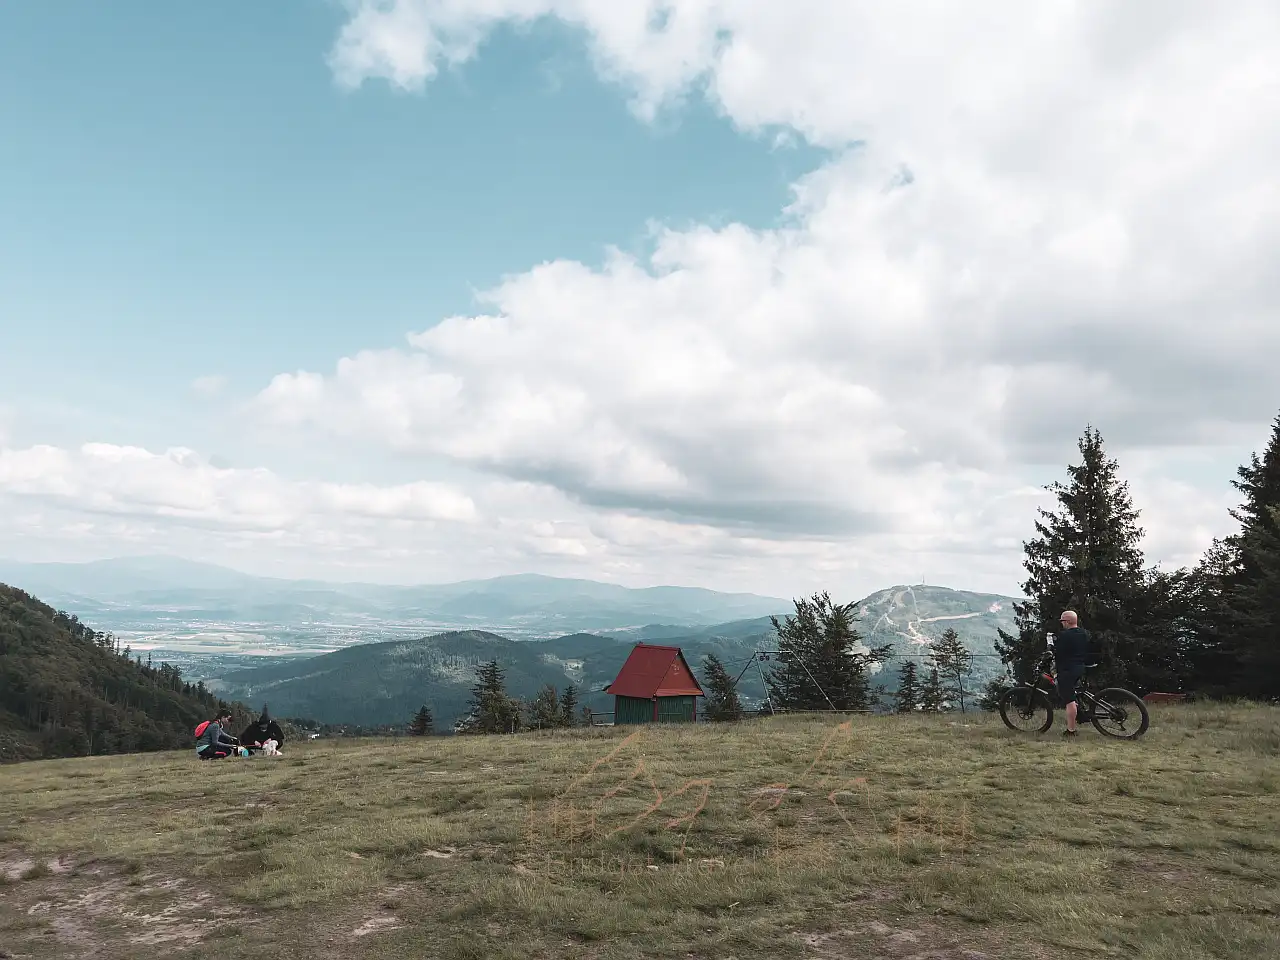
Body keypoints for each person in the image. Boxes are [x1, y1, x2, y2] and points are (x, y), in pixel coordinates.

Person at [1055, 610, 1092, 737]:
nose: (1061, 623)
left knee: (1069, 699)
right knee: (1073, 693)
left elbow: (1058, 652)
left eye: (1062, 621)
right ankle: (1080, 713)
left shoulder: (1065, 636)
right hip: (1080, 667)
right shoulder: (1084, 633)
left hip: (1067, 670)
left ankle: (1071, 730)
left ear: (1068, 621)